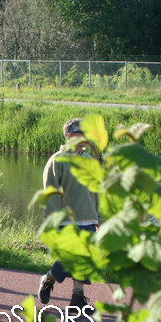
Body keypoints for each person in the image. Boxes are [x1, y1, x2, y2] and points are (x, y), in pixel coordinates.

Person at [37, 118, 99, 309]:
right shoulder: (57, 161)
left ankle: (77, 298)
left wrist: (100, 219)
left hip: (89, 218)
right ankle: (48, 279)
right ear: (71, 136)